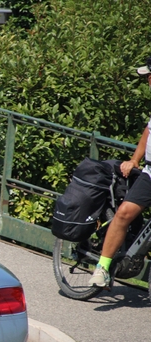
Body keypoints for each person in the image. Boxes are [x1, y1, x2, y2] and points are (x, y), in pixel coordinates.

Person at [88, 57, 151, 288]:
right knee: (124, 213)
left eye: (149, 77)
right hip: (150, 173)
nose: (147, 82)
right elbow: (148, 131)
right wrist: (134, 159)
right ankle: (102, 268)